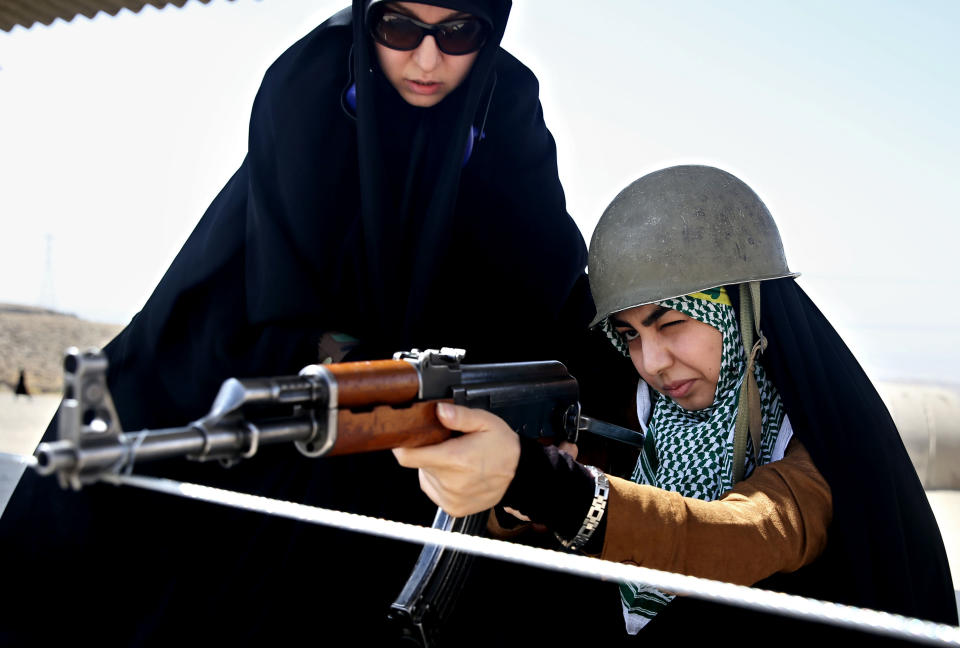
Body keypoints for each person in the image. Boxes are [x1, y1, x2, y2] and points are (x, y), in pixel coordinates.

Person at [0, 2, 635, 645]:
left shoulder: (508, 101)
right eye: (399, 28)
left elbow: (540, 277)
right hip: (287, 365)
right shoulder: (311, 81)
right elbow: (281, 269)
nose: (425, 58)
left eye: (458, 33)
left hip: (457, 411)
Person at [394, 165, 958, 642]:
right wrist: (506, 496)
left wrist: (554, 487)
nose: (653, 360)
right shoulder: (624, 406)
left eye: (673, 324)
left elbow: (745, 534)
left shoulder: (812, 434)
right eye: (630, 334)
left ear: (740, 313)